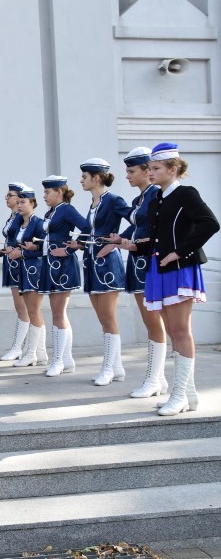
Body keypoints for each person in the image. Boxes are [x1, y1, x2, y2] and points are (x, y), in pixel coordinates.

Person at [123, 142, 219, 416]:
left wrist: (179, 252)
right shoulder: (157, 199)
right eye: (150, 169)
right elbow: (155, 239)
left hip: (179, 268)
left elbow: (210, 223)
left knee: (179, 330)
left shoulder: (186, 194)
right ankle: (187, 393)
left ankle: (180, 394)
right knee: (171, 331)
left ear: (173, 169)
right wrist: (131, 245)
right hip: (158, 267)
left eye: (155, 168)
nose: (150, 173)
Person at [105, 148, 167, 398]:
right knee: (150, 321)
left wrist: (131, 239)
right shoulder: (140, 199)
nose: (127, 176)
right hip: (138, 263)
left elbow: (156, 229)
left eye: (132, 171)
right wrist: (122, 238)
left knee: (154, 321)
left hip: (150, 263)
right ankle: (158, 378)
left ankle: (154, 378)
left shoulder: (155, 195)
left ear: (146, 171)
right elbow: (139, 226)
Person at [69, 158, 131, 386]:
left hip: (108, 265)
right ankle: (117, 367)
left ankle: (107, 367)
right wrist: (79, 244)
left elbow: (137, 219)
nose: (81, 180)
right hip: (91, 262)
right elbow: (92, 233)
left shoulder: (114, 200)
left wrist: (117, 242)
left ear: (96, 178)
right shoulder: (93, 203)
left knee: (108, 317)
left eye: (84, 177)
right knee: (102, 318)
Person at [38, 176, 91, 376]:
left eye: (47, 192)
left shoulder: (66, 209)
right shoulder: (51, 212)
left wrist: (70, 249)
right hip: (50, 265)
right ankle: (66, 360)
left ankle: (58, 360)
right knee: (58, 313)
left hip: (62, 267)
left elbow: (86, 227)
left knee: (58, 313)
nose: (44, 196)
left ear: (59, 192)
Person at [0, 182, 30, 361]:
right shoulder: (12, 217)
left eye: (10, 195)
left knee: (24, 308)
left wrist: (11, 250)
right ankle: (29, 348)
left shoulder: (21, 218)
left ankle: (18, 348)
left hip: (20, 264)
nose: (6, 198)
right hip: (11, 263)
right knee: (22, 308)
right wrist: (0, 251)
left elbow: (23, 241)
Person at [7, 189, 47, 367]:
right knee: (32, 311)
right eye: (19, 202)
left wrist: (23, 253)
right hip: (24, 271)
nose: (20, 205)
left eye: (24, 202)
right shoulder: (20, 224)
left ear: (33, 204)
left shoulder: (38, 223)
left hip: (35, 270)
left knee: (33, 311)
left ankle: (31, 353)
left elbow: (43, 250)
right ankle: (40, 352)